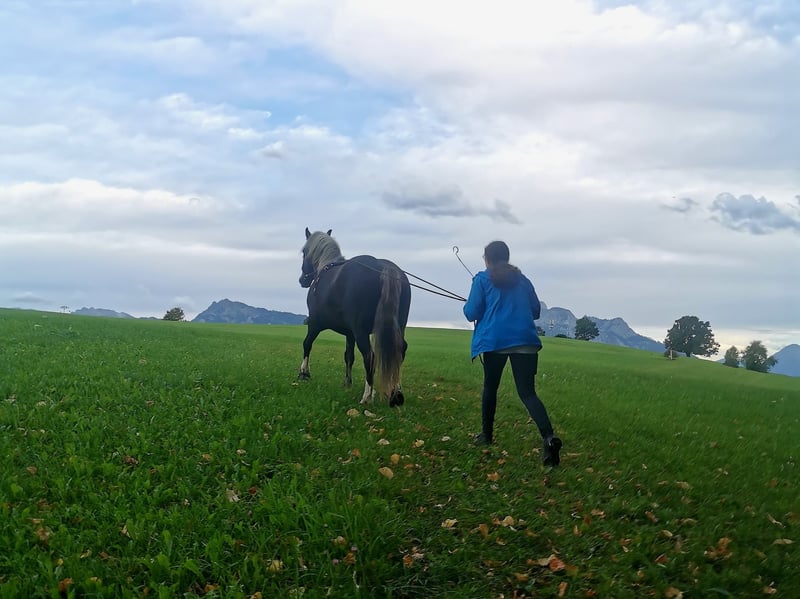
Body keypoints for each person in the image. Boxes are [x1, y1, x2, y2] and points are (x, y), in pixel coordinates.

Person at [463, 240, 562, 467]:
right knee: (528, 393)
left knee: (490, 387)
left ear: (487, 259)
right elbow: (535, 310)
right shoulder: (523, 280)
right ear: (506, 257)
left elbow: (470, 312)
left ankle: (487, 436)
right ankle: (549, 438)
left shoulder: (481, 279)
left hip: (495, 341)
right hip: (525, 341)